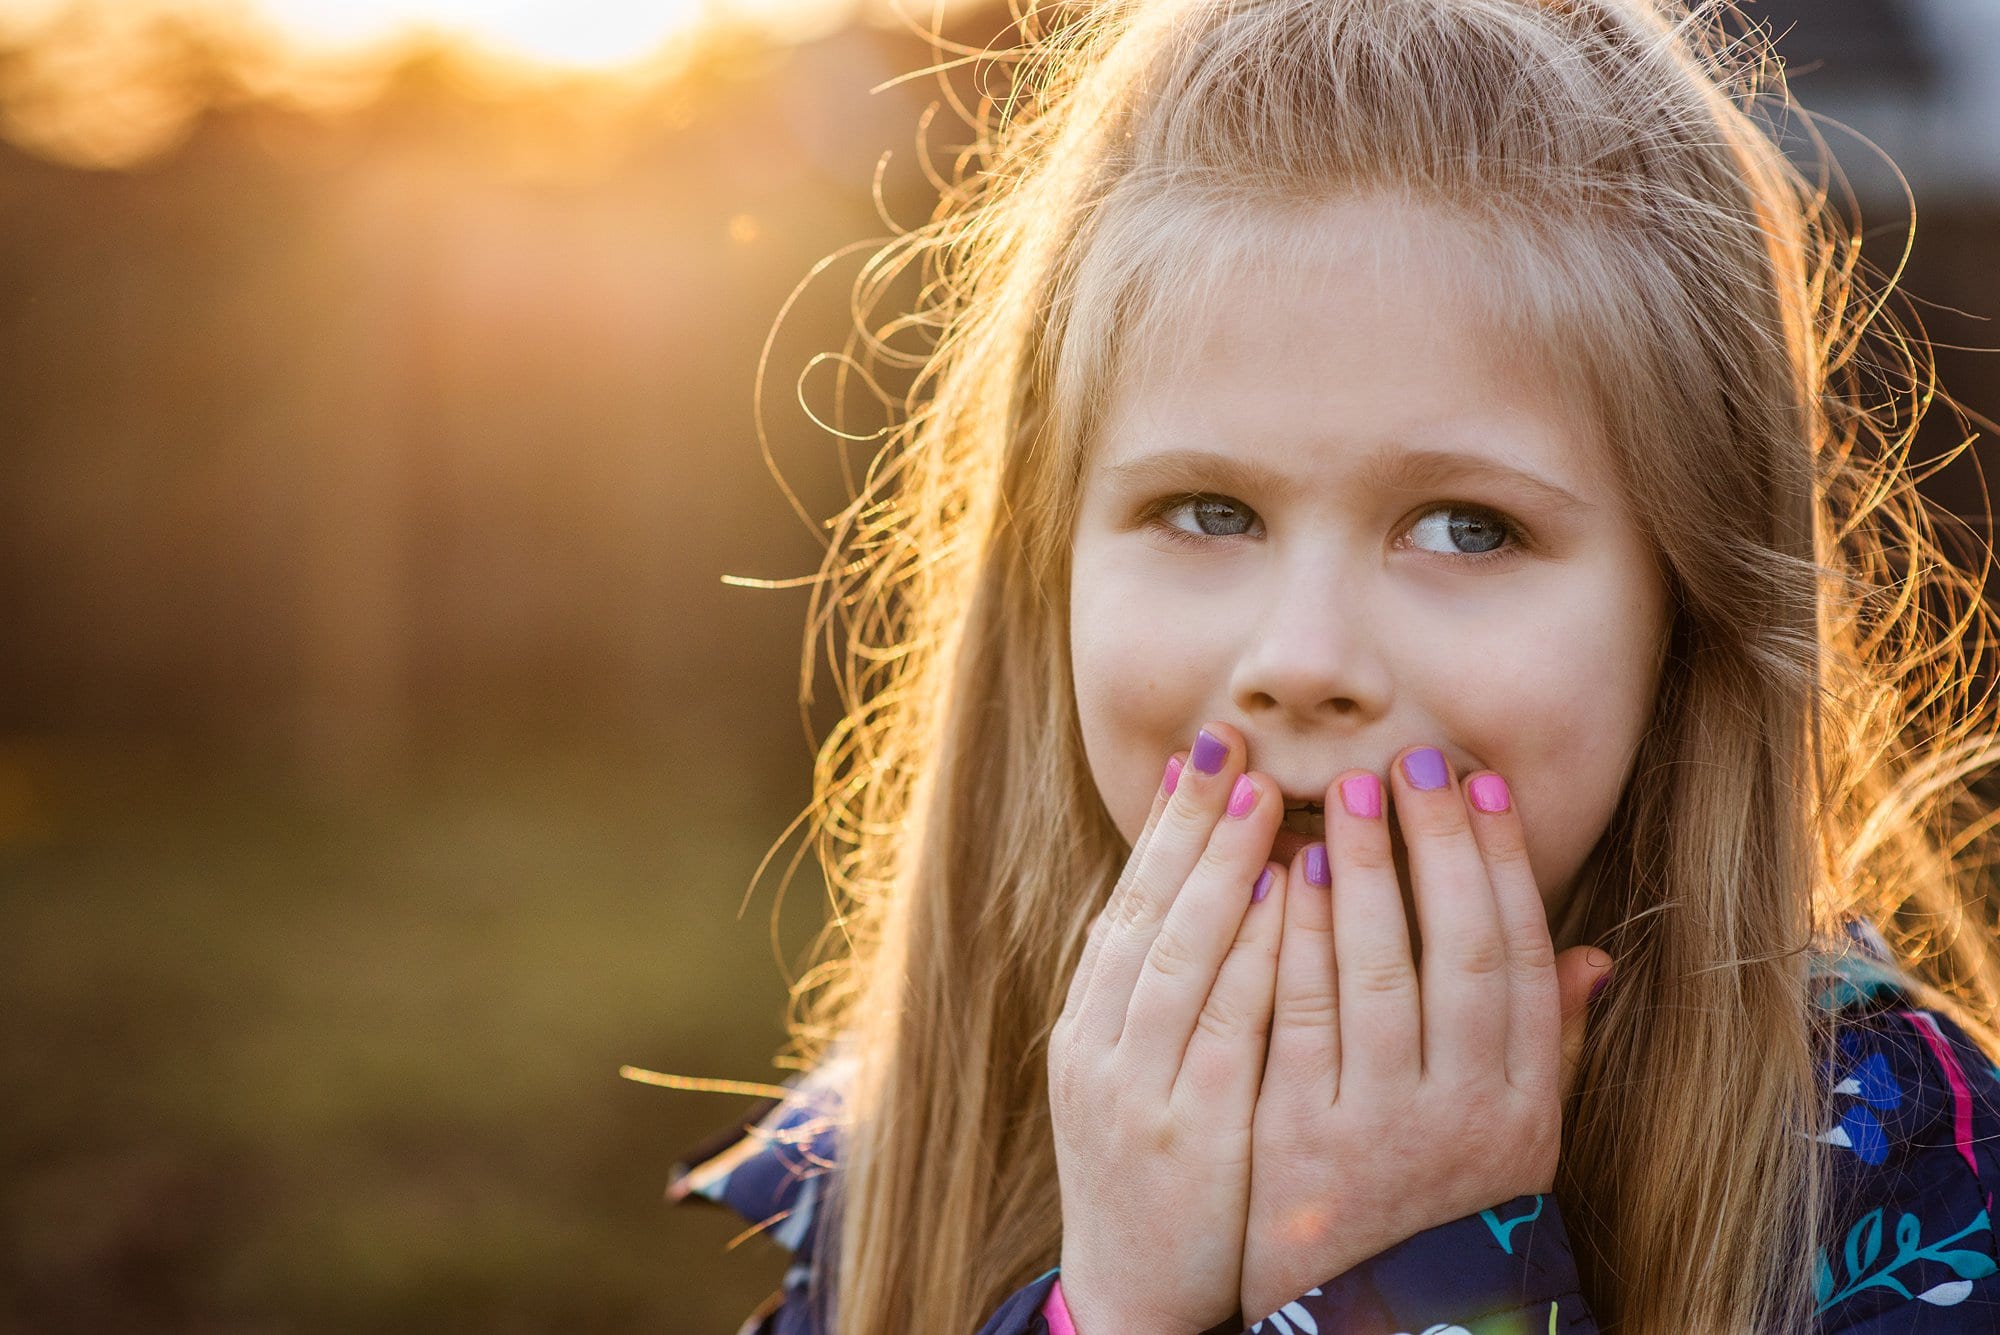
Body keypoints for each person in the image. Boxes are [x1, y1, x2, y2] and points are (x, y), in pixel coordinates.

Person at [667, 0, 2000, 1329]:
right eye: (1206, 511)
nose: (1302, 664)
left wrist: (1415, 1266)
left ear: (1685, 607)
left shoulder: (1917, 1169)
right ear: (1049, 571)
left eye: (1467, 528)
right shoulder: (890, 1157)